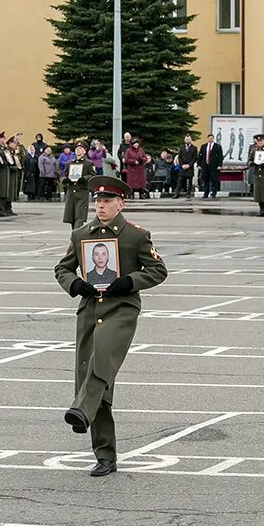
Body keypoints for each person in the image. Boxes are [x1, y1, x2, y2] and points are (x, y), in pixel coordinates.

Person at [55, 175, 167, 477]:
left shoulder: (135, 235)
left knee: (102, 358)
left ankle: (80, 409)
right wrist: (76, 284)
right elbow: (62, 269)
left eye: (107, 201)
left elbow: (159, 270)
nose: (101, 206)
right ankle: (105, 455)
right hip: (90, 310)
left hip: (122, 309)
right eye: (98, 201)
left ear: (121, 203)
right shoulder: (82, 234)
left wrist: (130, 281)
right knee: (94, 378)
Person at [62, 142, 95, 229]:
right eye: (77, 148)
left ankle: (75, 238)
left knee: (79, 217)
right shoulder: (69, 163)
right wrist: (65, 180)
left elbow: (93, 175)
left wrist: (84, 178)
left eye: (80, 148)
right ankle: (75, 237)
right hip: (71, 192)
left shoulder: (88, 163)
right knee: (72, 217)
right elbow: (64, 175)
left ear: (85, 151)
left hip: (82, 192)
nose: (78, 150)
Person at [247, 133, 264, 216]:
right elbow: (248, 161)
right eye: (258, 141)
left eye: (261, 140)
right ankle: (262, 209)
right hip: (257, 174)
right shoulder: (253, 151)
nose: (259, 142)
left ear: (263, 141)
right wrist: (252, 163)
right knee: (259, 193)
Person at [199, 133, 224, 198]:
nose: (210, 139)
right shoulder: (203, 146)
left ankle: (213, 192)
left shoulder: (217, 146)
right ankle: (206, 193)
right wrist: (199, 164)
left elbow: (220, 156)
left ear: (213, 139)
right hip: (205, 165)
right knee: (205, 179)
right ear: (207, 139)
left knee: (214, 179)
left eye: (212, 138)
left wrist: (219, 165)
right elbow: (200, 156)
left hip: (214, 166)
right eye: (209, 138)